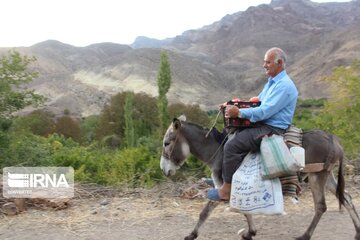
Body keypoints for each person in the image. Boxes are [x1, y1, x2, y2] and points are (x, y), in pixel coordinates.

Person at [207, 47, 298, 201]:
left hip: (272, 129)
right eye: (264, 62)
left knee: (232, 146)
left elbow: (264, 111)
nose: (264, 65)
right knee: (230, 132)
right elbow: (256, 103)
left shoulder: (284, 86)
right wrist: (232, 105)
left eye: (268, 62)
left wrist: (240, 113)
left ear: (279, 63)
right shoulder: (272, 82)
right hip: (263, 124)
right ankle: (225, 177)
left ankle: (226, 191)